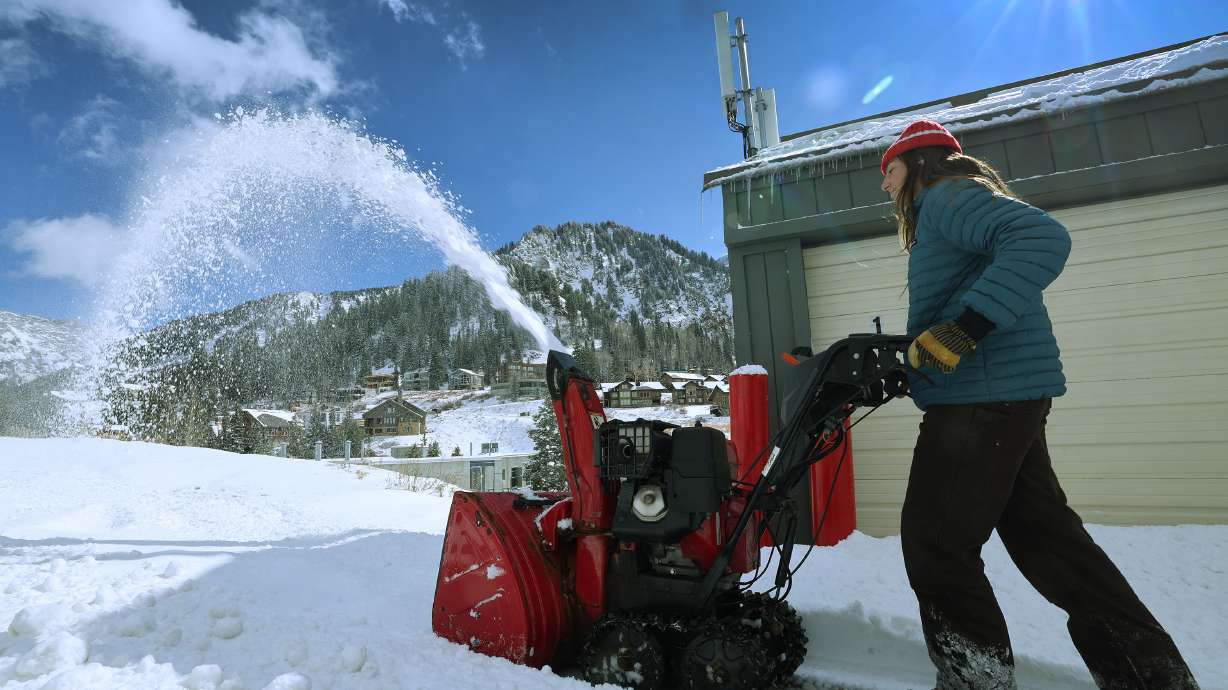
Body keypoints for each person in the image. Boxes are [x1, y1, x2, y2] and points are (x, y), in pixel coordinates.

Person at [881, 119, 1198, 689]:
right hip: (1004, 399)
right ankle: (1154, 680)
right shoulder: (951, 206)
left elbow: (1043, 238)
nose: (886, 186)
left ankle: (976, 681)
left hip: (983, 403)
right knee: (1051, 544)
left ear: (920, 165)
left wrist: (964, 331)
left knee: (936, 546)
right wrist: (923, 358)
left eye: (892, 170)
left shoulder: (947, 197)